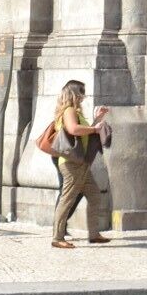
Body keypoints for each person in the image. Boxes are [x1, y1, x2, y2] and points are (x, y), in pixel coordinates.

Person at [49, 79, 111, 248]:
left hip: (80, 163)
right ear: (75, 94)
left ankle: (93, 234)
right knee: (67, 199)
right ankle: (57, 237)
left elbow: (84, 135)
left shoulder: (76, 112)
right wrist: (94, 129)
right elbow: (73, 129)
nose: (84, 96)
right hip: (71, 163)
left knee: (94, 195)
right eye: (82, 92)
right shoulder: (69, 110)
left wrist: (97, 119)